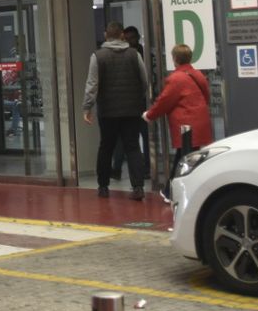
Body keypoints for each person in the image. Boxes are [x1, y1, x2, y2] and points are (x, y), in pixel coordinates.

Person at [82, 22, 151, 200]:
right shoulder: (134, 54)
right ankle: (138, 188)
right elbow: (144, 80)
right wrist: (138, 97)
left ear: (106, 35)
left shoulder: (98, 56)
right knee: (133, 147)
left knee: (106, 147)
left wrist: (87, 107)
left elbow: (92, 84)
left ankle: (103, 186)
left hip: (108, 111)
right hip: (132, 109)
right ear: (122, 35)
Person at [144, 43, 212, 202]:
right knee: (188, 157)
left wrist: (149, 115)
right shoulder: (198, 75)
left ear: (174, 59)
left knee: (183, 159)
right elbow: (206, 97)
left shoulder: (175, 79)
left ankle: (171, 192)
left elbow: (164, 101)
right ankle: (172, 191)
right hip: (200, 122)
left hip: (185, 126)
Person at [111, 26, 152, 182]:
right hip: (130, 104)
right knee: (124, 138)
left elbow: (144, 80)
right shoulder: (129, 55)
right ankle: (117, 168)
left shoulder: (140, 55)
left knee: (144, 137)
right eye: (126, 39)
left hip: (140, 104)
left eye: (131, 38)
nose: (129, 41)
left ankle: (146, 169)